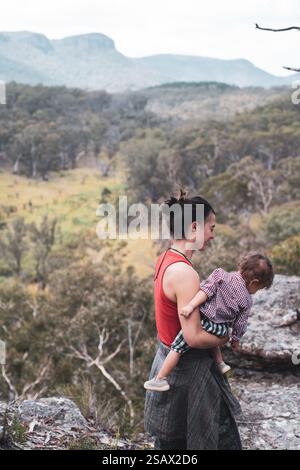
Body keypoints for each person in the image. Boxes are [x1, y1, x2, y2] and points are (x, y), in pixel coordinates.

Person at [144, 190, 243, 450]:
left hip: (169, 361)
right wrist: (225, 335)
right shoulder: (185, 273)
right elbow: (194, 336)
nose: (212, 234)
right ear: (195, 226)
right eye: (211, 227)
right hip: (188, 373)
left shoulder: (166, 259)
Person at [144, 252, 274, 391]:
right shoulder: (247, 301)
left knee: (177, 347)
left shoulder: (221, 275)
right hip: (221, 329)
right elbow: (241, 323)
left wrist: (190, 306)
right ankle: (220, 363)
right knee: (211, 335)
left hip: (205, 320)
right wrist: (235, 338)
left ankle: (160, 379)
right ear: (254, 282)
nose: (255, 292)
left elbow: (205, 292)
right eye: (259, 289)